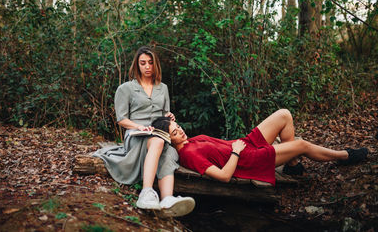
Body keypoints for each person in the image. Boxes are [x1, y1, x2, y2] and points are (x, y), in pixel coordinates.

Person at [93, 46, 195, 217]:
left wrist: (169, 116)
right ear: (137, 65)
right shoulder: (125, 88)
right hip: (136, 134)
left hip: (159, 133)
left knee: (169, 151)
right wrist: (138, 127)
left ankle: (167, 200)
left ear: (156, 65)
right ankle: (146, 193)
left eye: (150, 63)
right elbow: (121, 119)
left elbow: (165, 116)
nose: (147, 66)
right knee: (158, 141)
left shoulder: (163, 88)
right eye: (143, 63)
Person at [151, 109, 369, 185]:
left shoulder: (190, 140)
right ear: (168, 140)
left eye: (177, 126)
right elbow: (225, 176)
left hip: (246, 145)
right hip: (248, 160)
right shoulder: (189, 154)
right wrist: (236, 152)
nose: (179, 130)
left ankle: (292, 165)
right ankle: (345, 156)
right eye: (174, 132)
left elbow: (171, 127)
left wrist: (169, 121)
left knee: (284, 115)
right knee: (300, 144)